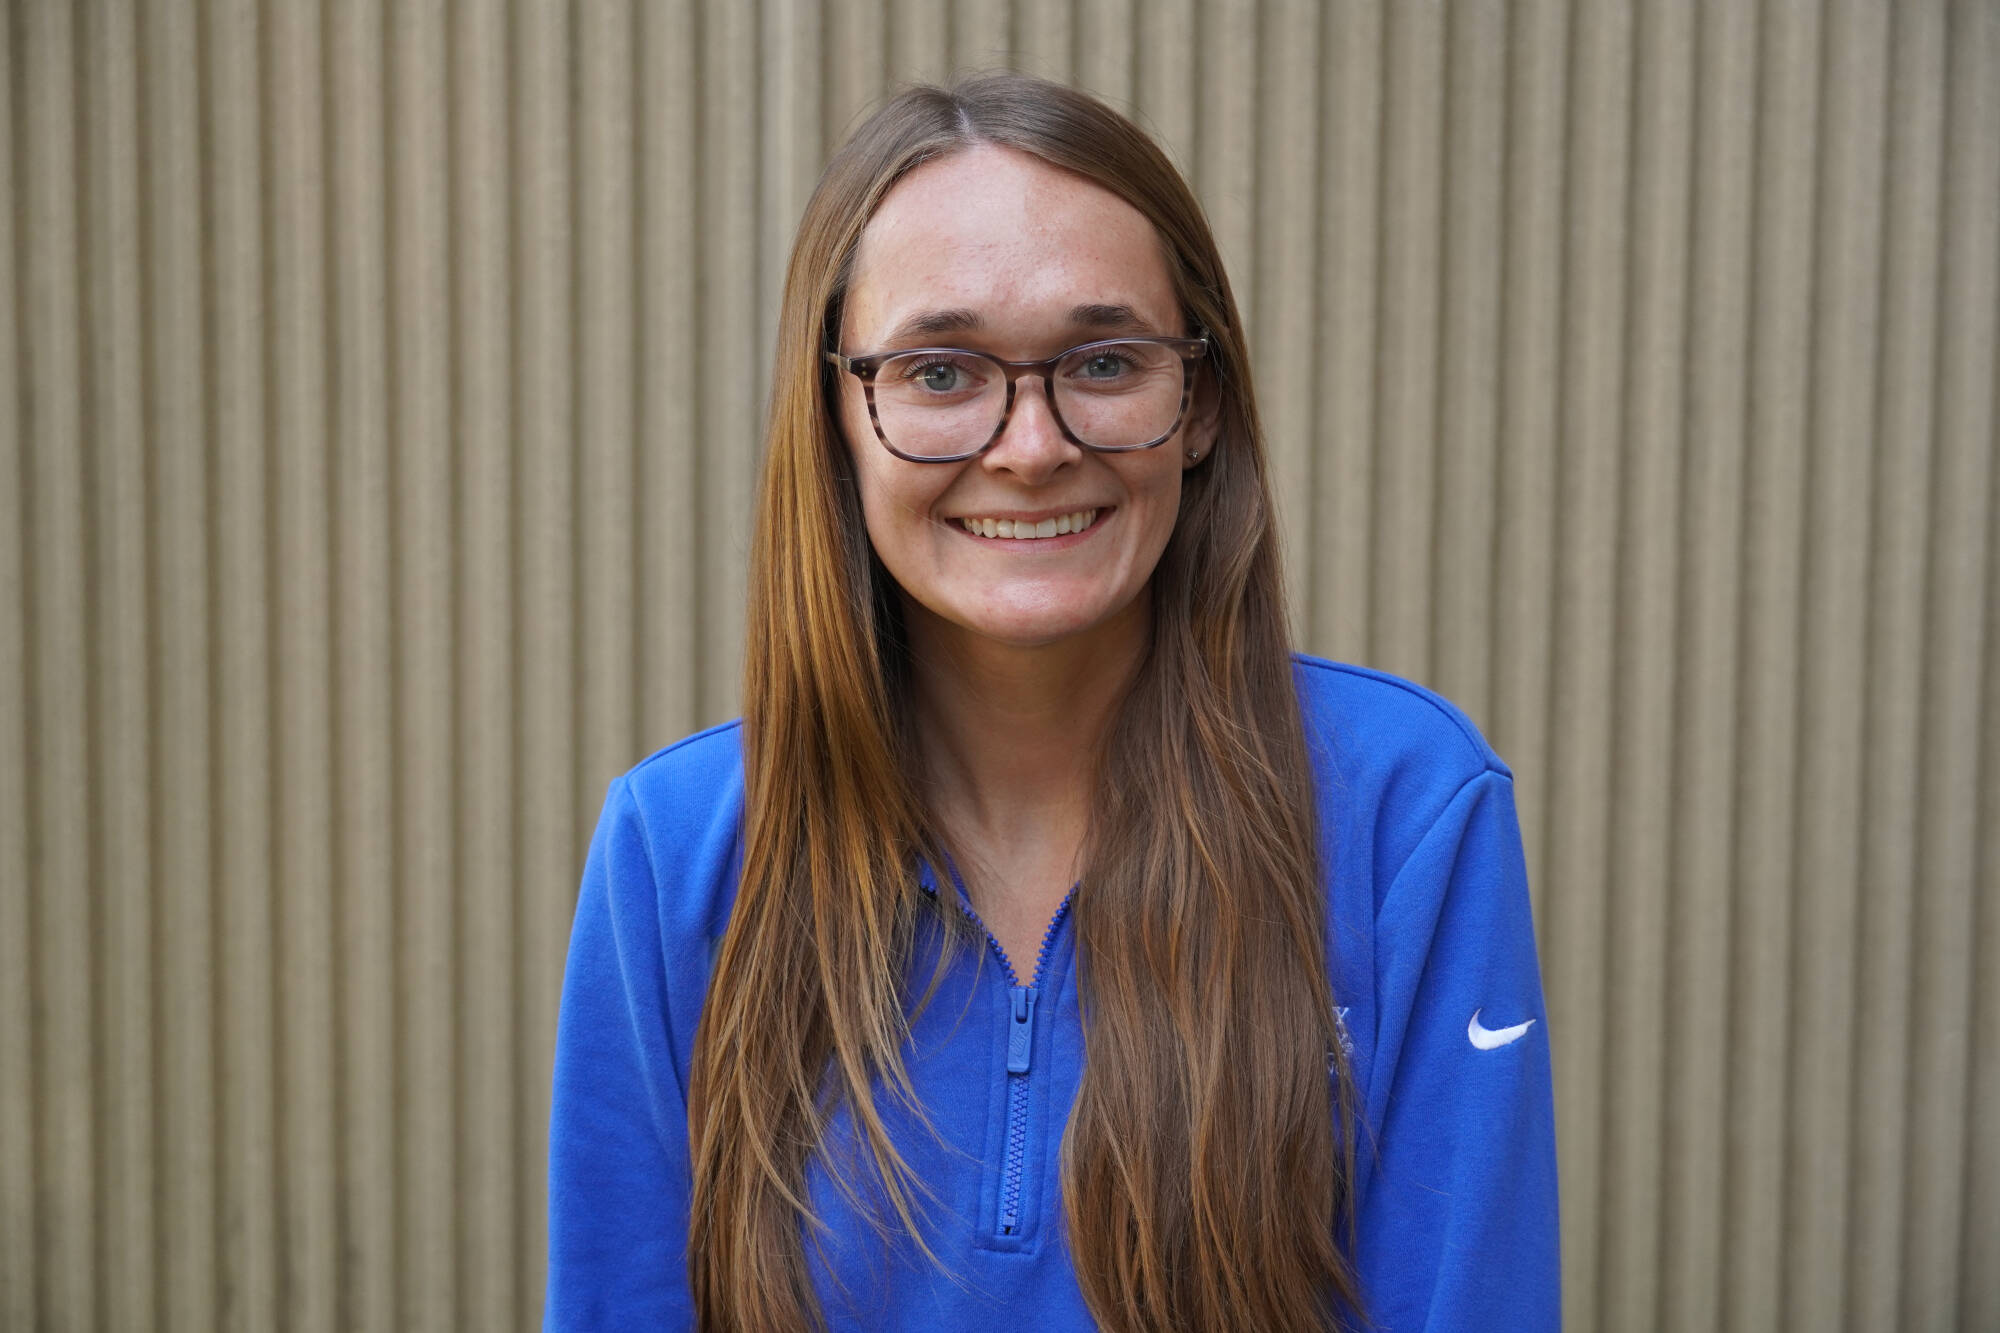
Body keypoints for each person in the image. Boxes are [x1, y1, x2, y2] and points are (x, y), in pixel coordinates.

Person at [545, 72, 1558, 1332]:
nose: (1030, 445)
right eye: (938, 371)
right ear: (836, 418)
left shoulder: (1405, 813)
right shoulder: (676, 852)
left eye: (1103, 359)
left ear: (1200, 406)